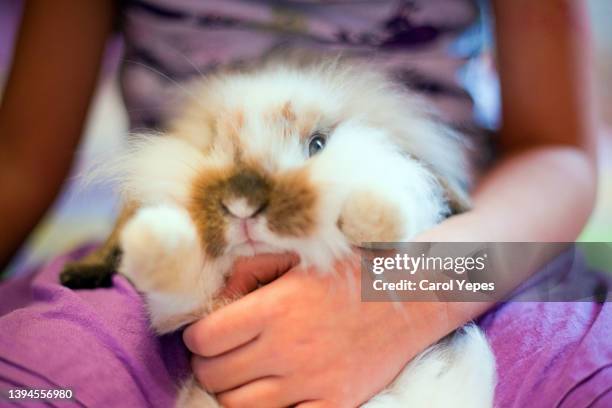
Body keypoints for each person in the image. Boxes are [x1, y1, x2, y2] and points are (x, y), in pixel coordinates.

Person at [0, 1, 608, 407]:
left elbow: (561, 151)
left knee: (586, 377)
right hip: (175, 255)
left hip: (468, 248)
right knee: (41, 379)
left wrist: (413, 291)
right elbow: (20, 162)